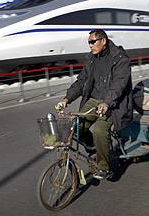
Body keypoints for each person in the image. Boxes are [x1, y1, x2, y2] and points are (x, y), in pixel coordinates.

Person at [57, 29, 133, 180]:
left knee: (99, 129)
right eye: (89, 43)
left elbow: (119, 84)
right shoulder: (92, 59)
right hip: (94, 101)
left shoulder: (119, 58)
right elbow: (81, 81)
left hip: (114, 103)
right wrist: (67, 99)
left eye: (93, 42)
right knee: (76, 127)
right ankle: (96, 148)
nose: (90, 46)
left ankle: (104, 167)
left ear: (103, 41)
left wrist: (107, 102)